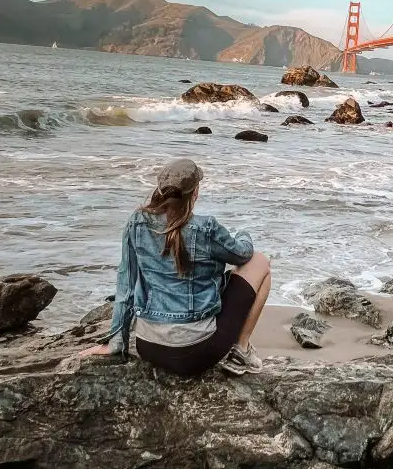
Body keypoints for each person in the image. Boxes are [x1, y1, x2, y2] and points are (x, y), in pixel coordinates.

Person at [81, 157, 270, 376]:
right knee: (260, 261)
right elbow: (243, 254)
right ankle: (241, 350)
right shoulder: (205, 228)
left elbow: (126, 284)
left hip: (148, 347)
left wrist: (116, 342)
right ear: (195, 193)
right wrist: (244, 234)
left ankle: (239, 350)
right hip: (194, 353)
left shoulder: (136, 221)